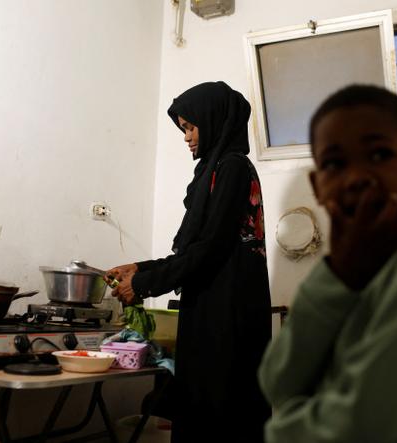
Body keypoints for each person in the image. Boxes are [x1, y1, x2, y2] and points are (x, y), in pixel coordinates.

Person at [257, 85, 397, 443]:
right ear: (317, 185)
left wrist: (280, 433)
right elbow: (278, 381)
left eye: (379, 154)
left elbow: (361, 425)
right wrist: (339, 273)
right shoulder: (343, 272)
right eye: (334, 163)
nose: (357, 176)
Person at [106, 81, 272, 443]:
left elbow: (210, 248)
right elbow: (197, 250)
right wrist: (141, 268)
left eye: (191, 127)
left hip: (229, 318)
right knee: (202, 411)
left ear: (214, 122)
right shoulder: (213, 172)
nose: (186, 137)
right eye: (184, 129)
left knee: (222, 417)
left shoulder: (232, 169)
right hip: (211, 310)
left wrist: (146, 284)